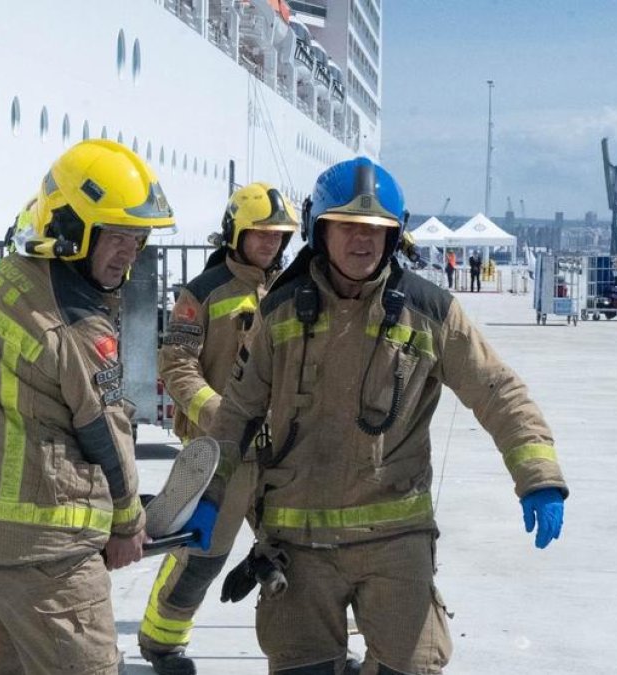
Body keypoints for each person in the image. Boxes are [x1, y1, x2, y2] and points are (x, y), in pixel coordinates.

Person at [205, 157, 569, 674]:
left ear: (395, 237)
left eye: (377, 230)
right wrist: (207, 495)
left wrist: (538, 475)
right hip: (297, 547)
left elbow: (498, 391)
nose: (363, 241)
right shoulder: (279, 312)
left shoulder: (432, 312)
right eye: (349, 227)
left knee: (412, 666)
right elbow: (237, 413)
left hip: (395, 543)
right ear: (320, 231)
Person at [0, 139, 189, 674]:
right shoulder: (77, 321)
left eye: (138, 240)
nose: (128, 255)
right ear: (69, 228)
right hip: (44, 552)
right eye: (116, 236)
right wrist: (129, 521)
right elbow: (105, 430)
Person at [138, 182, 298, 675]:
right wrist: (218, 415)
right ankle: (162, 645)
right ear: (236, 233)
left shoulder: (292, 292)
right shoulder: (203, 293)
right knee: (202, 555)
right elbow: (178, 364)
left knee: (298, 556)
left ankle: (308, 650)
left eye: (278, 236)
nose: (270, 244)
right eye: (260, 234)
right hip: (222, 452)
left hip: (280, 451)